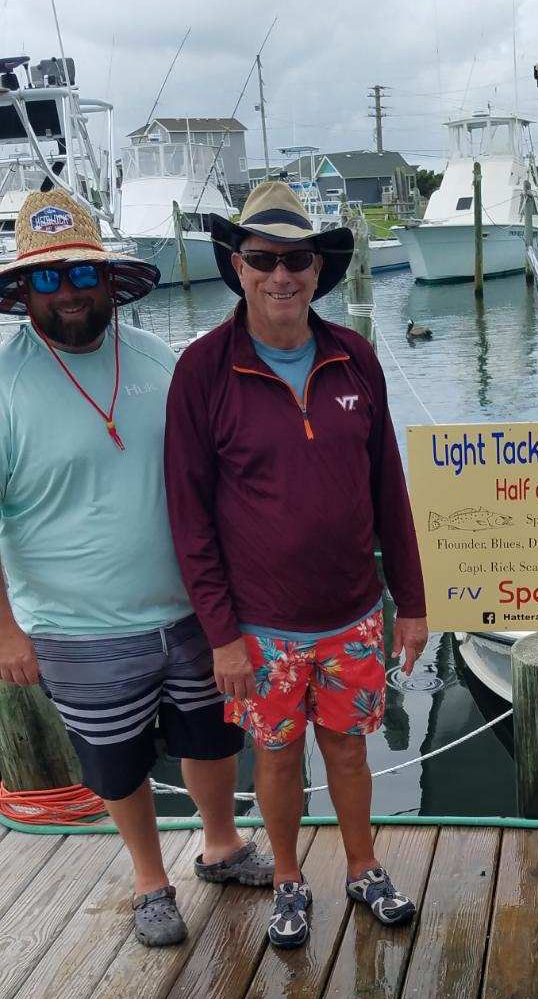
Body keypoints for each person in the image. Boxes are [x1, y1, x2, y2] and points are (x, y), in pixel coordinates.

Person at [0, 190, 271, 946]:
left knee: (213, 739)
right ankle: (151, 881)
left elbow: (217, 477)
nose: (70, 292)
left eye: (81, 273)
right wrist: (6, 633)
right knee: (114, 764)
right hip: (75, 628)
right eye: (47, 280)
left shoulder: (161, 359)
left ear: (107, 278)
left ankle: (220, 846)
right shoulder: (4, 386)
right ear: (22, 292)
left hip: (193, 614)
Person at [165, 182, 428, 950]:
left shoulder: (357, 358)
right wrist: (221, 636)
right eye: (263, 258)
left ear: (320, 269)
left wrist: (409, 603)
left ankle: (363, 866)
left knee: (349, 748)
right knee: (275, 756)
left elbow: (390, 489)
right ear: (237, 266)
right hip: (259, 626)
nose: (282, 275)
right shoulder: (203, 372)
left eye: (298, 260)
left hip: (353, 614)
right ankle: (286, 876)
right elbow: (189, 518)